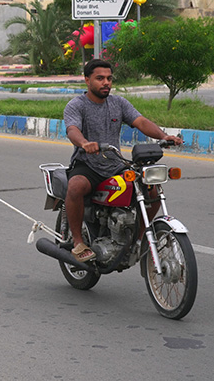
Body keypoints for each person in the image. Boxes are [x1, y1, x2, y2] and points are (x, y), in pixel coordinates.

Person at [63, 58, 182, 262]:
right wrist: (84, 143)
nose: (106, 82)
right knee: (75, 186)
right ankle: (77, 241)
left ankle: (137, 239)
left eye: (109, 78)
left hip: (115, 163)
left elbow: (141, 121)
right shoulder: (77, 105)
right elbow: (72, 129)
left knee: (151, 189)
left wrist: (163, 136)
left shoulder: (118, 103)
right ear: (87, 80)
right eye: (100, 78)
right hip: (88, 164)